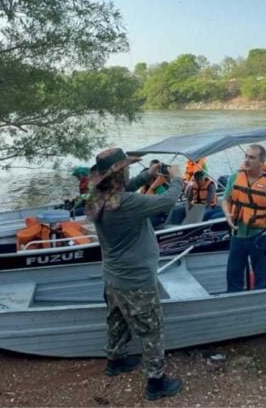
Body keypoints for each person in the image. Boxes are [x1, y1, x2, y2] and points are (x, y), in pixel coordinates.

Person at [85, 148, 184, 401]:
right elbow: (167, 201)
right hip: (136, 280)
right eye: (126, 168)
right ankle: (156, 382)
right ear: (120, 174)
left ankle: (115, 361)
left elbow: (121, 190)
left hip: (112, 276)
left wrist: (147, 176)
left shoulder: (97, 197)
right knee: (151, 329)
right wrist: (177, 179)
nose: (129, 170)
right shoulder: (129, 204)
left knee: (116, 320)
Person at [222, 144, 266, 292]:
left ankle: (259, 301)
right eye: (246, 156)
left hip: (259, 237)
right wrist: (227, 214)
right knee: (233, 277)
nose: (246, 160)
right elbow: (225, 200)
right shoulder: (235, 177)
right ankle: (234, 299)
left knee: (260, 280)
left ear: (261, 162)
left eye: (252, 157)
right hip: (237, 236)